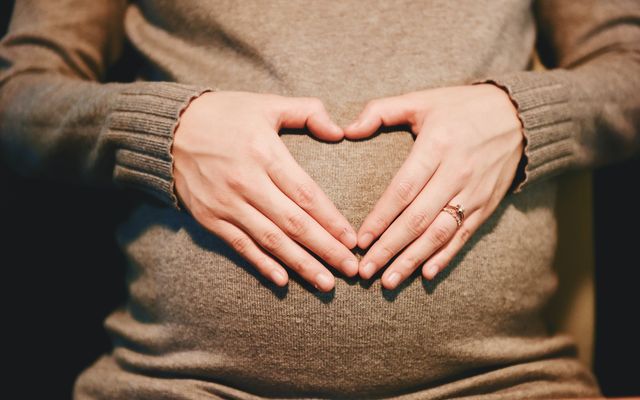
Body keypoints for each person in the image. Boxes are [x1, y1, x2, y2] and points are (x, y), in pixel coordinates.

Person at [1, 0, 638, 398]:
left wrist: (524, 117)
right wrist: (162, 131)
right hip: (179, 383)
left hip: (503, 384)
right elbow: (16, 99)